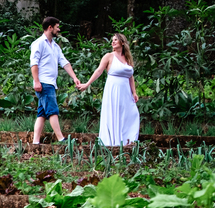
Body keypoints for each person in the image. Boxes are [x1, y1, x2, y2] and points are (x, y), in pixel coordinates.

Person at [30, 17, 86, 145]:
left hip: (50, 83)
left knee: (42, 113)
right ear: (50, 27)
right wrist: (37, 81)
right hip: (44, 83)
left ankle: (35, 142)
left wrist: (74, 77)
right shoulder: (38, 43)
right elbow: (34, 64)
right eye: (57, 27)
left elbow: (64, 62)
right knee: (52, 110)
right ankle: (61, 139)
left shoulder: (55, 46)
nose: (58, 29)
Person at [81, 33, 140, 148]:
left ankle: (128, 140)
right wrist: (87, 84)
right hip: (113, 89)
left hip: (126, 91)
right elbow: (99, 71)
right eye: (112, 40)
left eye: (115, 40)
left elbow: (130, 76)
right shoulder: (109, 56)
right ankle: (112, 142)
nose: (113, 42)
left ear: (122, 42)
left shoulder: (127, 58)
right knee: (114, 113)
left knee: (132, 113)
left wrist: (134, 92)